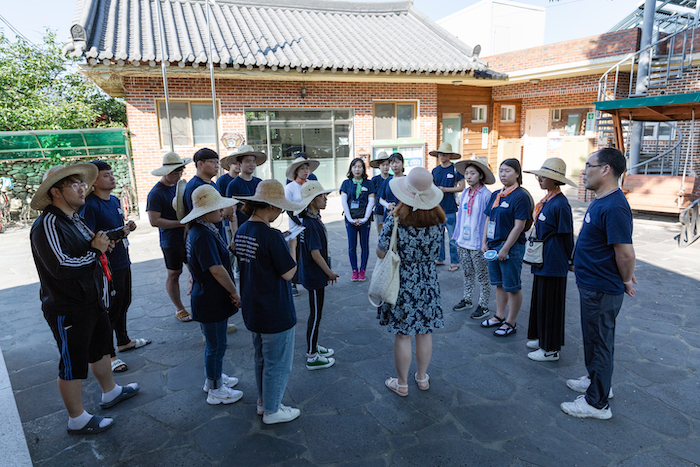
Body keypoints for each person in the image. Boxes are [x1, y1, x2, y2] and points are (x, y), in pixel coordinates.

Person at [30, 164, 139, 435]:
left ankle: (110, 391)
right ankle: (76, 418)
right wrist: (95, 251)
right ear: (55, 192)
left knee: (100, 349)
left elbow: (92, 244)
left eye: (82, 183)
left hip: (92, 300)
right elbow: (62, 266)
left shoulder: (73, 218)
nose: (82, 188)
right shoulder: (49, 223)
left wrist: (110, 239)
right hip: (69, 306)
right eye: (74, 184)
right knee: (72, 363)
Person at [561, 148, 636, 420]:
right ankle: (596, 379)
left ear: (605, 169)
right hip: (593, 284)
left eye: (589, 165)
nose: (584, 171)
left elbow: (625, 252)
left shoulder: (615, 205)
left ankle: (597, 403)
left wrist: (626, 278)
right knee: (593, 339)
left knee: (601, 342)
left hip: (601, 288)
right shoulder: (602, 199)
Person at [233, 179, 305, 424]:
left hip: (253, 308)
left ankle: (264, 402)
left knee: (261, 358)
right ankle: (273, 410)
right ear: (272, 207)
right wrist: (292, 245)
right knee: (278, 363)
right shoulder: (272, 236)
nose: (281, 213)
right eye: (280, 209)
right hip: (275, 309)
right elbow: (289, 273)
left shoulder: (242, 230)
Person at [377, 167, 445, 397]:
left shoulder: (395, 220)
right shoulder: (438, 220)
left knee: (403, 334)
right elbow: (436, 253)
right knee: (424, 332)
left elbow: (379, 252)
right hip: (427, 281)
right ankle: (422, 378)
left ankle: (402, 383)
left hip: (403, 281)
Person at [80, 160, 150, 374]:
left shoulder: (114, 200)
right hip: (105, 267)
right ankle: (109, 354)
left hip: (122, 260)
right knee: (108, 309)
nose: (112, 177)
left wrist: (126, 227)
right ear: (93, 182)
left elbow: (116, 230)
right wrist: (121, 232)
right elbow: (90, 238)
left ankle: (123, 340)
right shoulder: (89, 205)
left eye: (112, 174)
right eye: (106, 175)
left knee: (123, 302)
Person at [181, 185, 243, 405]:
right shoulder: (202, 234)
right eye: (216, 207)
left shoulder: (200, 230)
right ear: (203, 212)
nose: (222, 210)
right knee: (216, 345)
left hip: (206, 295)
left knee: (215, 343)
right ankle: (215, 388)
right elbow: (216, 269)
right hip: (210, 298)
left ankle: (214, 377)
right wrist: (234, 291)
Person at [523, 158, 576, 362]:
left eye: (543, 176)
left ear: (555, 180)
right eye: (539, 176)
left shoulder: (560, 204)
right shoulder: (548, 200)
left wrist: (570, 260)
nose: (539, 179)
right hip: (543, 259)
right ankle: (542, 338)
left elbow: (566, 235)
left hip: (554, 262)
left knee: (551, 305)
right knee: (540, 300)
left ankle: (551, 348)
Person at [480, 158, 532, 337]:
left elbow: (519, 226)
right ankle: (499, 316)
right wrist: (484, 242)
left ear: (517, 173)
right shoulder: (496, 194)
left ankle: (511, 321)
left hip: (511, 247)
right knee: (499, 284)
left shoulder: (520, 196)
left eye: (508, 170)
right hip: (493, 246)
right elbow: (488, 219)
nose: (503, 174)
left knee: (512, 286)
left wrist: (505, 248)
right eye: (501, 170)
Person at [295, 181, 339, 370]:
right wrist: (330, 273)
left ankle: (314, 346)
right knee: (315, 315)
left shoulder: (311, 219)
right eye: (322, 196)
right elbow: (315, 253)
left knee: (317, 313)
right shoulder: (311, 223)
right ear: (312, 200)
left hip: (315, 274)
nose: (326, 198)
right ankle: (312, 356)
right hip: (314, 275)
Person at [146, 152, 192, 322]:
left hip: (187, 236)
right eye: (175, 172)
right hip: (170, 240)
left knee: (195, 268)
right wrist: (181, 224)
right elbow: (154, 221)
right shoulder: (156, 193)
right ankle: (179, 308)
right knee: (174, 273)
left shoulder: (179, 187)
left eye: (181, 171)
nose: (178, 175)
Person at [451, 158, 494, 318]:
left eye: (472, 173)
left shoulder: (486, 195)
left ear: (480, 175)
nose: (468, 176)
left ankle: (483, 305)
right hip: (463, 241)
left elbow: (489, 220)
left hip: (478, 243)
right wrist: (457, 236)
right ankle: (467, 299)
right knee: (467, 273)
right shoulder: (465, 193)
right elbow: (461, 216)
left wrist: (486, 241)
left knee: (482, 275)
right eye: (466, 173)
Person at [284, 155, 320, 297]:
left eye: (307, 168)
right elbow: (288, 208)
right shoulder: (290, 187)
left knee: (311, 252)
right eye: (302, 169)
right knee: (295, 253)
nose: (305, 171)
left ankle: (310, 279)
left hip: (311, 224)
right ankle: (293, 283)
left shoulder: (311, 184)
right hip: (296, 226)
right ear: (296, 171)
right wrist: (300, 224)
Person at [430, 142, 465, 271]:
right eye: (440, 153)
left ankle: (455, 262)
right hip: (437, 209)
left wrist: (445, 189)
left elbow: (462, 187)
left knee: (452, 238)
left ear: (450, 155)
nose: (442, 155)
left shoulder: (456, 169)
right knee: (438, 236)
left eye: (445, 153)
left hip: (450, 208)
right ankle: (440, 258)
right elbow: (431, 188)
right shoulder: (435, 171)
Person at [339, 158, 376, 282]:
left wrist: (365, 218)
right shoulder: (346, 183)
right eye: (354, 166)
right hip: (350, 219)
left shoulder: (368, 183)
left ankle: (363, 270)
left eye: (360, 167)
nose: (357, 169)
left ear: (363, 169)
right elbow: (344, 202)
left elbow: (371, 201)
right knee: (352, 246)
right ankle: (354, 270)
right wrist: (349, 219)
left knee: (364, 245)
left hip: (364, 219)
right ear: (351, 168)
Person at [226, 145, 266, 227]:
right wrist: (235, 235)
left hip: (259, 227)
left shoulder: (260, 183)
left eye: (254, 161)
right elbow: (232, 214)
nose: (252, 164)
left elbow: (265, 210)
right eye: (248, 161)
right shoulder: (233, 185)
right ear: (239, 164)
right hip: (242, 228)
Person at [377, 152, 405, 224]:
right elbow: (380, 199)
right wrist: (387, 205)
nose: (395, 165)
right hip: (389, 215)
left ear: (402, 164)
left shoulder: (407, 180)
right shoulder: (387, 180)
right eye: (392, 163)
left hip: (404, 215)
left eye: (397, 162)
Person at [369, 151, 391, 233]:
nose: (385, 167)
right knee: (381, 233)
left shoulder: (393, 178)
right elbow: (373, 196)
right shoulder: (375, 180)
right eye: (383, 165)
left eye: (387, 164)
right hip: (379, 211)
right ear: (379, 166)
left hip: (391, 210)